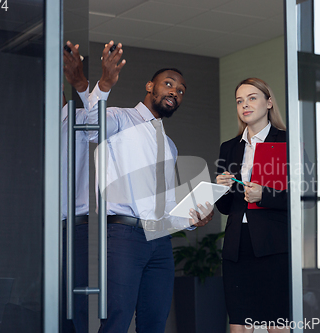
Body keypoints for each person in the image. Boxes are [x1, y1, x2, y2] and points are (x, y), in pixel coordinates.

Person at [67, 40, 214, 333]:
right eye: (169, 84)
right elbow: (93, 122)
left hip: (160, 241)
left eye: (181, 90)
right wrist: (104, 84)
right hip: (124, 236)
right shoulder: (120, 117)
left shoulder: (169, 144)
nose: (175, 91)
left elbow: (165, 200)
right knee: (117, 321)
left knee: (155, 321)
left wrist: (192, 220)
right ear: (150, 86)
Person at [215, 78, 290, 333]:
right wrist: (221, 189)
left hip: (274, 246)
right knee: (238, 325)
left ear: (269, 102)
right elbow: (226, 207)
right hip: (237, 246)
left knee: (277, 324)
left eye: (252, 98)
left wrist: (264, 195)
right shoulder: (229, 148)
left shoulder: (287, 142)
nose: (244, 104)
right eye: (239, 101)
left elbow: (305, 199)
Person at [61, 41, 90, 333]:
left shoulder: (78, 119)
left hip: (74, 225)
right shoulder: (28, 128)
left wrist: (81, 83)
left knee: (74, 304)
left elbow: (97, 115)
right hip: (39, 229)